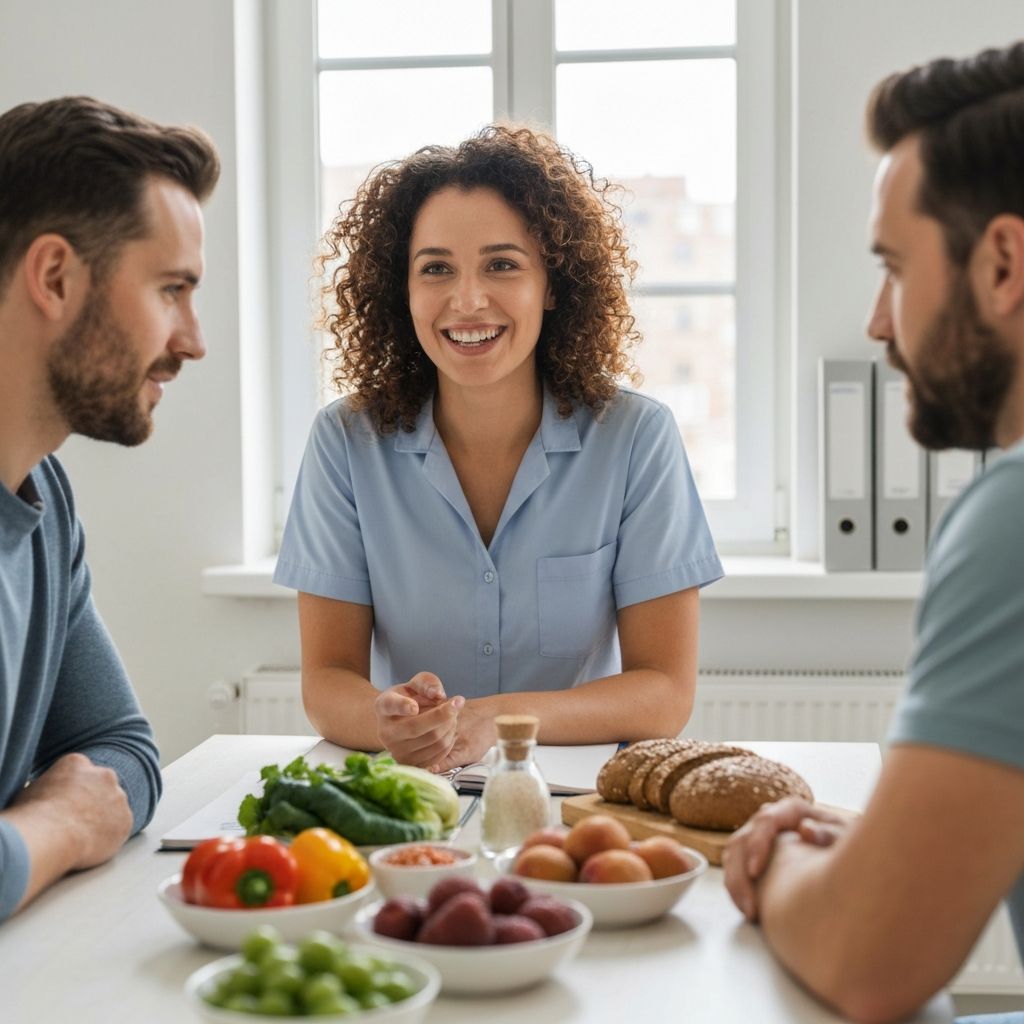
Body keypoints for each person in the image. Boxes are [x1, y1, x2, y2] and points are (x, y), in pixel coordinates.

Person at [722, 41, 1024, 1024]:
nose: (876, 322)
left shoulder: (1013, 516)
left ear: (1003, 262)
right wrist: (892, 849)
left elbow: (868, 965)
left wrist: (776, 872)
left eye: (893, 268)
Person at [274, 125, 723, 773]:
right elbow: (328, 680)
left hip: (576, 800)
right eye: (436, 269)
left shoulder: (636, 438)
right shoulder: (345, 442)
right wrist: (386, 721)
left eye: (502, 265)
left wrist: (497, 718)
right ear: (402, 291)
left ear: (553, 284)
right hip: (417, 795)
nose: (468, 300)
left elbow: (663, 691)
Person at [0, 96, 219, 922]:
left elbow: (124, 752)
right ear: (55, 277)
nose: (193, 339)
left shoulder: (43, 500)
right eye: (171, 289)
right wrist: (57, 824)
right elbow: (86, 802)